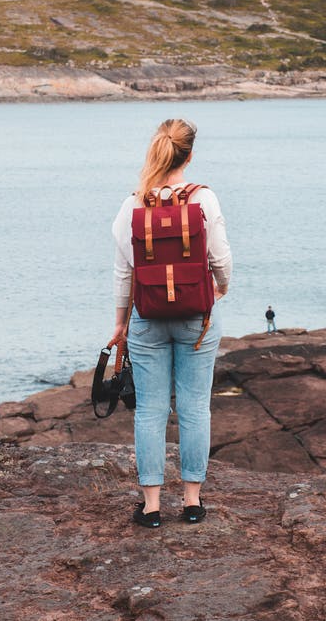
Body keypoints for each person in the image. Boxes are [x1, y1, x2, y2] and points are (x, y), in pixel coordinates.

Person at [111, 118, 232, 528]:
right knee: (195, 407)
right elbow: (221, 258)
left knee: (150, 410)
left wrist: (119, 324)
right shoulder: (205, 198)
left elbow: (123, 273)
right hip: (196, 317)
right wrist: (221, 289)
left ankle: (151, 507)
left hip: (146, 318)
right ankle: (193, 503)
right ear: (190, 155)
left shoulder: (133, 204)